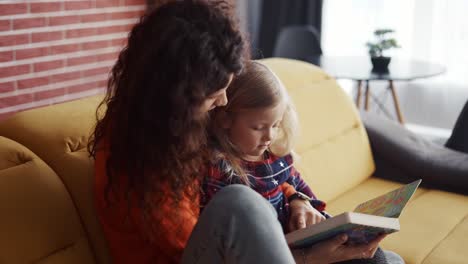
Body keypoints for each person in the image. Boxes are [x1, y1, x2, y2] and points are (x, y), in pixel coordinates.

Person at [88, 1, 401, 263]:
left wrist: (296, 200)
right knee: (238, 202)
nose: (222, 102)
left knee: (380, 258)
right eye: (214, 96)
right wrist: (306, 258)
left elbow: (259, 170)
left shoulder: (183, 128)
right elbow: (223, 241)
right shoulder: (137, 157)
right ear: (178, 97)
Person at [202, 60, 404, 264]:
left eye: (276, 125)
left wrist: (300, 202)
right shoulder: (219, 170)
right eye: (258, 127)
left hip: (300, 241)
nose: (269, 136)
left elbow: (300, 189)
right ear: (224, 119)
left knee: (377, 256)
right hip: (275, 254)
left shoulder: (275, 157)